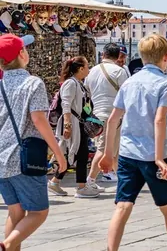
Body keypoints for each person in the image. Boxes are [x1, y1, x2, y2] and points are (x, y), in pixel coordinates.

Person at [99, 34, 167, 251]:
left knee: (123, 205)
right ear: (166, 57)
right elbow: (159, 119)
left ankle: (111, 249)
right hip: (153, 154)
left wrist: (108, 154)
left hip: (128, 154)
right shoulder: (166, 83)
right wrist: (159, 158)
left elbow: (113, 119)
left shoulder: (129, 82)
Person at [0, 34, 67, 251]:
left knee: (16, 212)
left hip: (2, 158)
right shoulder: (33, 83)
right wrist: (58, 153)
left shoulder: (1, 85)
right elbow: (39, 120)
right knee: (39, 212)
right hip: (24, 159)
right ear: (22, 54)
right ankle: (6, 245)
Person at [48, 56, 97, 198]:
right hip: (73, 124)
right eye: (87, 66)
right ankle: (79, 187)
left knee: (78, 153)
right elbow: (66, 105)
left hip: (79, 123)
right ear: (80, 68)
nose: (89, 69)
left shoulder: (79, 83)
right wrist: (68, 125)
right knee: (73, 152)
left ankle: (59, 182)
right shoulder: (71, 83)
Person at [86, 43, 130, 187]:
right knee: (104, 149)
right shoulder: (119, 72)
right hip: (113, 115)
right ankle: (90, 181)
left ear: (103, 55)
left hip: (96, 115)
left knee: (114, 150)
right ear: (118, 56)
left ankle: (123, 181)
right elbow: (126, 94)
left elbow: (87, 90)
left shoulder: (92, 71)